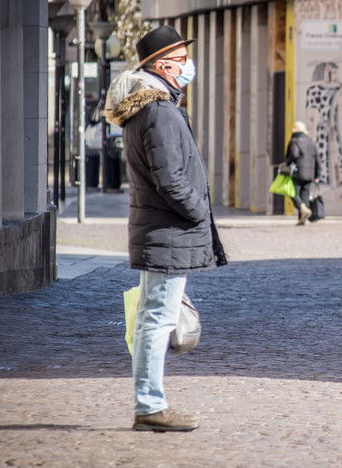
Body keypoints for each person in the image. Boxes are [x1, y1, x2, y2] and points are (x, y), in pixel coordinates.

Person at [104, 25, 223, 431]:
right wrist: (198, 212)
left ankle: (149, 403)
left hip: (162, 230)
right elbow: (170, 178)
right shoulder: (157, 111)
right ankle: (150, 405)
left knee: (154, 316)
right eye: (182, 59)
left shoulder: (155, 108)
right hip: (168, 230)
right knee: (157, 319)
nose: (189, 66)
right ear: (163, 65)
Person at [284, 121, 321, 225]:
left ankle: (302, 208)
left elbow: (294, 155)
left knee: (293, 193)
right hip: (310, 174)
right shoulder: (311, 142)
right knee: (304, 196)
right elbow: (317, 159)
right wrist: (317, 175)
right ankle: (302, 219)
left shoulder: (295, 141)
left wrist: (287, 162)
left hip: (298, 172)